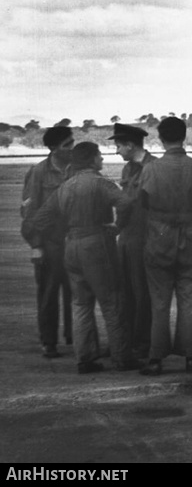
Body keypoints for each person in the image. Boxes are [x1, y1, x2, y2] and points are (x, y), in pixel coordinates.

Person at [30, 142, 136, 374]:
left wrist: (63, 233)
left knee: (80, 305)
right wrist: (117, 226)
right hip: (97, 244)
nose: (102, 159)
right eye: (99, 155)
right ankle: (122, 357)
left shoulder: (65, 187)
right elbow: (126, 202)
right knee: (111, 302)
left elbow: (39, 219)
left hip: (71, 246)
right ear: (91, 159)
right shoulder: (100, 183)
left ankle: (85, 359)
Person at [139, 117, 192, 376]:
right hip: (191, 237)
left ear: (161, 138)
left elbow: (144, 201)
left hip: (160, 238)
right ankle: (190, 358)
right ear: (184, 136)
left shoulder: (152, 169)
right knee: (188, 301)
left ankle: (156, 359)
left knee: (159, 302)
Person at [20, 126, 76, 358]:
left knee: (78, 293)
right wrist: (36, 245)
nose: (72, 148)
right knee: (48, 293)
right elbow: (30, 212)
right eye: (67, 145)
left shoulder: (76, 170)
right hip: (50, 244)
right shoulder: (39, 172)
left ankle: (75, 340)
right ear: (54, 148)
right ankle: (49, 342)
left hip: (73, 241)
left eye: (73, 143)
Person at [109, 124, 154, 362]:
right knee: (125, 293)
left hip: (144, 239)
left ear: (130, 145)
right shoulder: (128, 169)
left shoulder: (153, 167)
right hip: (126, 238)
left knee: (142, 293)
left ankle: (143, 343)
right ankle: (128, 341)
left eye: (118, 145)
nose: (117, 151)